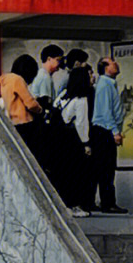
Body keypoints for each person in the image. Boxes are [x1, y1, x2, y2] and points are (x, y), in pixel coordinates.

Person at [53, 64, 95, 217]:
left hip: (58, 138)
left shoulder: (64, 94)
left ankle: (64, 204)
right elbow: (81, 123)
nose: (92, 78)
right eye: (89, 75)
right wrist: (86, 143)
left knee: (63, 173)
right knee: (76, 173)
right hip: (72, 139)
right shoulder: (81, 99)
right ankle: (75, 205)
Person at [89, 56, 126, 212]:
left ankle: (106, 202)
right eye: (112, 62)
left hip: (105, 130)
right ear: (105, 67)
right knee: (106, 168)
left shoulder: (110, 84)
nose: (116, 64)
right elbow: (105, 112)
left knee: (106, 168)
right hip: (104, 130)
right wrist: (115, 131)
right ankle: (108, 203)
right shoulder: (104, 85)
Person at [0, 54, 43, 157]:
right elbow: (30, 103)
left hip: (12, 121)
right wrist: (41, 110)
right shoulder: (17, 80)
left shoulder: (5, 80)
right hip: (24, 123)